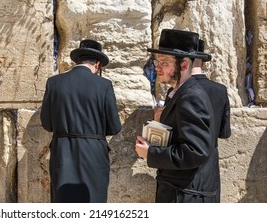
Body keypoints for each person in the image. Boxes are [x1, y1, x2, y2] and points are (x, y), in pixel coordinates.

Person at [135, 29, 215, 203]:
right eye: (158, 62)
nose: (157, 67)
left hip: (186, 196)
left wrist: (151, 153)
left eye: (164, 63)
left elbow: (196, 152)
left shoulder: (191, 96)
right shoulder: (177, 92)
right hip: (177, 191)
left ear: (184, 65)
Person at [40, 39, 122, 203]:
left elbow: (47, 123)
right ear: (97, 64)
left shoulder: (54, 83)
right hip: (94, 156)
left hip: (63, 153)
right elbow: (114, 127)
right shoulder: (104, 85)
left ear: (77, 60)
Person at [191, 39, 231, 202]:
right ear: (203, 63)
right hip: (209, 169)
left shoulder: (178, 90)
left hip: (182, 170)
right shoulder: (220, 91)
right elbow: (224, 132)